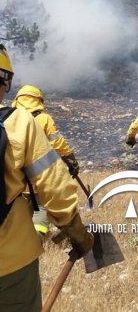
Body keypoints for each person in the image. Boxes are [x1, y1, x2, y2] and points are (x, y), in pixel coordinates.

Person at [0, 44, 93, 312]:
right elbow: (56, 186)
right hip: (10, 262)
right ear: (5, 80)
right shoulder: (19, 122)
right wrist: (76, 233)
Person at [12, 84, 81, 237]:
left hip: (14, 178)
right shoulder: (43, 119)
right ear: (38, 101)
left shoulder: (9, 118)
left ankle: (22, 238)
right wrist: (72, 160)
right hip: (38, 177)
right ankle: (38, 237)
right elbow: (58, 143)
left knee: (19, 212)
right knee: (40, 208)